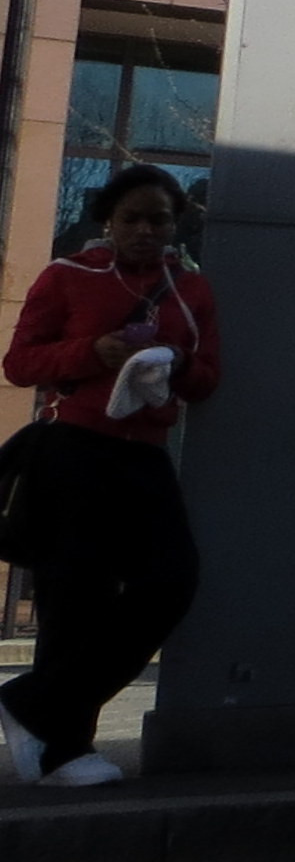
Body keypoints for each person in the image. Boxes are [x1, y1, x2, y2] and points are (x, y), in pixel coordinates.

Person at [0, 167, 223, 787]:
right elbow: (19, 364)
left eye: (160, 220)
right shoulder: (68, 276)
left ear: (176, 225)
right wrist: (91, 352)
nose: (147, 231)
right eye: (134, 219)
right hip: (73, 449)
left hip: (144, 451)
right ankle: (64, 750)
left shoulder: (190, 289)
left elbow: (208, 378)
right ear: (109, 220)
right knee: (73, 600)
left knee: (171, 581)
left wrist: (176, 361)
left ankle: (33, 704)